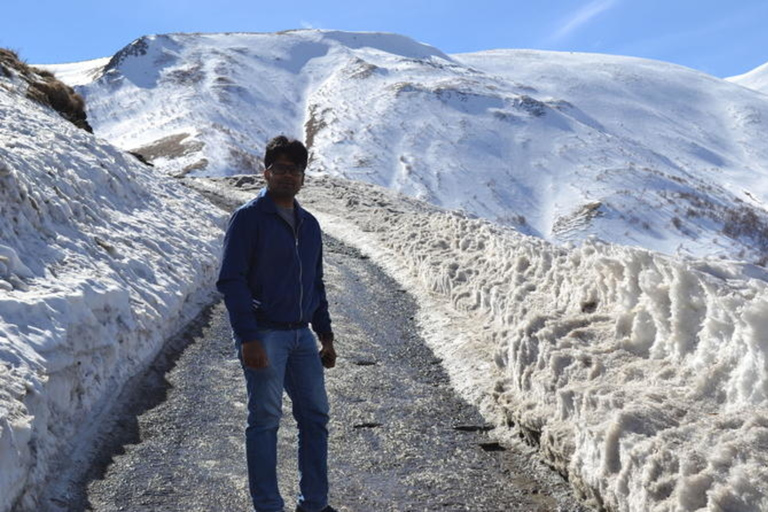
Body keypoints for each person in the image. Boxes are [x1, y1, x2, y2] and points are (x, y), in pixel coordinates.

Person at [217, 136, 338, 512]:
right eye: (280, 169)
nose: (288, 176)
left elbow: (315, 283)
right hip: (265, 334)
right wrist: (248, 338)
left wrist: (326, 334)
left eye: (295, 170)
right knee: (266, 420)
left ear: (303, 177)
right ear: (266, 172)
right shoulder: (249, 218)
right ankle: (268, 505)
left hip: (302, 334)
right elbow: (231, 280)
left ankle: (314, 503)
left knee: (315, 417)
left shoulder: (310, 224)